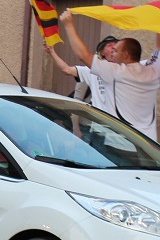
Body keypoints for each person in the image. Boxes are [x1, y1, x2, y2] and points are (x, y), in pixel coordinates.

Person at [59, 9, 160, 141]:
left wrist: (68, 25)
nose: (113, 52)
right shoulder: (153, 70)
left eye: (116, 50)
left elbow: (83, 55)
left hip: (120, 143)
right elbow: (159, 46)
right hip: (148, 145)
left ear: (126, 55)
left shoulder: (116, 72)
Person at [43, 37, 118, 113]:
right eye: (110, 45)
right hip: (99, 121)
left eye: (116, 45)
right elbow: (66, 70)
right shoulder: (91, 70)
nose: (113, 47)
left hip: (121, 123)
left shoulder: (124, 71)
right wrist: (52, 52)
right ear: (102, 52)